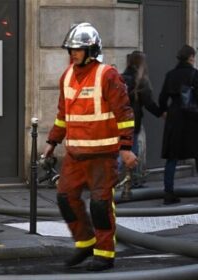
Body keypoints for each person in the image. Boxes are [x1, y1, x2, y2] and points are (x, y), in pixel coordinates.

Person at [42, 22, 137, 271]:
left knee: (100, 205)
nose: (73, 53)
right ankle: (85, 243)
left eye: (78, 49)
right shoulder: (67, 77)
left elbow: (124, 113)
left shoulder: (107, 75)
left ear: (92, 50)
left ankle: (104, 254)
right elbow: (63, 115)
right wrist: (52, 142)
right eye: (71, 49)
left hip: (102, 156)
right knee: (65, 198)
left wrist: (126, 148)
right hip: (74, 155)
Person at [158, 44, 198, 205]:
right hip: (191, 119)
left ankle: (168, 192)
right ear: (191, 57)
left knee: (172, 157)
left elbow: (162, 98)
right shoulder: (195, 74)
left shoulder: (170, 75)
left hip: (174, 118)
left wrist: (164, 111)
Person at [119, 51, 163, 191]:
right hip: (133, 122)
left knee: (121, 152)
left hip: (119, 122)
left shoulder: (121, 78)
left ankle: (126, 179)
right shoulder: (139, 80)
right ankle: (132, 180)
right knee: (131, 152)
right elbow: (148, 102)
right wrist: (161, 113)